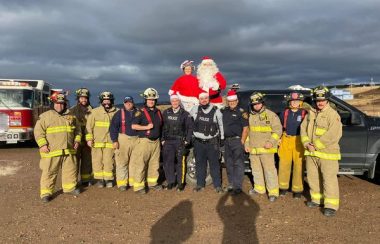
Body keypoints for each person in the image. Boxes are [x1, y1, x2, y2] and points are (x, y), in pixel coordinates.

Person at [301, 86, 342, 217]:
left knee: (329, 179)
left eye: (323, 100)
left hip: (327, 153)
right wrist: (306, 143)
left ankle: (331, 205)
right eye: (318, 100)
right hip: (311, 152)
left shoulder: (332, 114)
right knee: (313, 178)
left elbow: (334, 134)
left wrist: (316, 145)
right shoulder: (310, 113)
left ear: (327, 100)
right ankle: (317, 200)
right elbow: (303, 130)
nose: (320, 102)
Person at [34, 92, 81, 203]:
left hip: (69, 150)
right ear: (53, 103)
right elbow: (38, 132)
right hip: (52, 151)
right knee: (49, 172)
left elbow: (78, 130)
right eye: (57, 103)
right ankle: (46, 193)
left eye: (62, 103)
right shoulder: (45, 116)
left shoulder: (72, 116)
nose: (60, 106)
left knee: (70, 170)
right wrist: (43, 144)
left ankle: (69, 188)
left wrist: (77, 140)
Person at [245, 92, 282, 202]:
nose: (256, 106)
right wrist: (247, 144)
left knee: (269, 171)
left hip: (267, 149)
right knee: (256, 170)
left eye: (258, 103)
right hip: (253, 149)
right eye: (254, 104)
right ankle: (259, 188)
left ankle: (273, 192)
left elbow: (278, 130)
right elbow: (247, 132)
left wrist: (271, 142)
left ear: (262, 103)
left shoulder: (271, 115)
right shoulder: (250, 116)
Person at [129, 88, 163, 194]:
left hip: (156, 142)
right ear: (145, 100)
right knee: (141, 164)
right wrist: (147, 127)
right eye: (149, 99)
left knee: (154, 164)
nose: (151, 101)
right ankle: (139, 186)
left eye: (153, 99)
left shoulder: (158, 112)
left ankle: (152, 183)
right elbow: (133, 126)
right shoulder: (140, 112)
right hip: (144, 142)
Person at [189, 92, 224, 193]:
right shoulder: (194, 109)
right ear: (199, 100)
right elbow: (189, 122)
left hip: (212, 143)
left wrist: (221, 139)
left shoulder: (215, 110)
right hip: (198, 143)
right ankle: (200, 185)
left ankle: (217, 186)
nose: (204, 100)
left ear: (208, 99)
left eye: (205, 98)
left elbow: (221, 125)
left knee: (214, 164)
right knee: (200, 164)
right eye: (201, 98)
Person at [86, 91, 118, 188]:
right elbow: (88, 127)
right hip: (97, 142)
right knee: (97, 161)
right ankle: (100, 179)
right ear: (101, 101)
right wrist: (89, 139)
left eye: (108, 100)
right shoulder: (94, 112)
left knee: (109, 161)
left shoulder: (117, 112)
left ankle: (109, 179)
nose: (107, 102)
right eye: (105, 100)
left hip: (110, 142)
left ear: (111, 101)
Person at [161, 93, 193, 191]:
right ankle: (171, 182)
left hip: (180, 141)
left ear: (179, 102)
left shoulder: (185, 114)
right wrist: (162, 139)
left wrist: (187, 140)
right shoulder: (166, 113)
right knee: (168, 162)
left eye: (176, 101)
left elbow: (190, 128)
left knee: (180, 163)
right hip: (168, 142)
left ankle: (180, 183)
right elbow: (162, 127)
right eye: (173, 101)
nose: (174, 102)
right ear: (171, 102)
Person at [278, 92, 307, 198]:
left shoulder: (305, 113)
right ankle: (282, 188)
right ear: (289, 102)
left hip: (299, 140)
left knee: (299, 166)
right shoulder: (284, 113)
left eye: (297, 101)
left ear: (301, 102)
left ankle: (297, 190)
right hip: (286, 139)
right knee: (284, 164)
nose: (294, 103)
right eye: (292, 101)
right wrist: (278, 138)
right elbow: (279, 127)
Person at [221, 90, 249, 195]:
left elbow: (246, 128)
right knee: (228, 164)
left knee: (238, 164)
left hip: (237, 140)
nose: (232, 103)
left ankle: (237, 187)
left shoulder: (242, 112)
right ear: (228, 102)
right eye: (230, 101)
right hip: (227, 141)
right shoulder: (225, 111)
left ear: (237, 101)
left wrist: (242, 140)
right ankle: (231, 184)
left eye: (234, 101)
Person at [109, 96, 138, 191]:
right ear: (124, 103)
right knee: (122, 162)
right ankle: (122, 183)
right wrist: (115, 140)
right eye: (126, 102)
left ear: (133, 103)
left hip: (136, 139)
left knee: (134, 162)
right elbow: (113, 128)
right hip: (123, 139)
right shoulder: (119, 114)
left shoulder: (139, 112)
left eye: (130, 102)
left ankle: (133, 181)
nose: (128, 104)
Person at [69, 88, 93, 186]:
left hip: (87, 139)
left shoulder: (92, 110)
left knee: (87, 160)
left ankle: (85, 180)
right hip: (76, 139)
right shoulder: (72, 110)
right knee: (74, 161)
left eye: (85, 98)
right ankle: (73, 180)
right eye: (82, 98)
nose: (84, 100)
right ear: (78, 98)